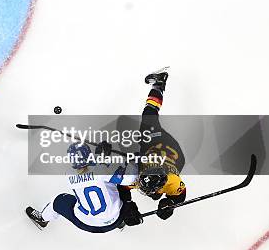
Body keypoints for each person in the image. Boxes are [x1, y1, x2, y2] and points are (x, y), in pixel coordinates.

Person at [26, 143, 143, 233]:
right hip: (116, 219)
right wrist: (132, 161)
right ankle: (120, 223)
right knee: (121, 186)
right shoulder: (102, 169)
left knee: (58, 201)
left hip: (88, 224)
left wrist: (102, 157)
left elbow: (89, 172)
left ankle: (42, 218)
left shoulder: (69, 176)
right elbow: (130, 178)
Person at [131, 67, 187, 220]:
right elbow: (180, 195)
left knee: (155, 195)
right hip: (161, 145)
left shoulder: (173, 181)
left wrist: (169, 204)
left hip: (162, 153)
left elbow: (179, 195)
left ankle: (159, 84)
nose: (139, 186)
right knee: (149, 115)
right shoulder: (138, 175)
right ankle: (159, 84)